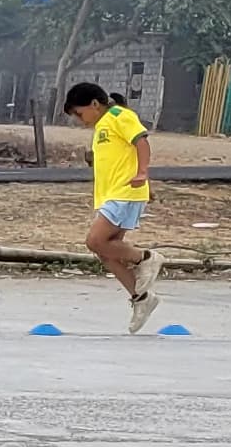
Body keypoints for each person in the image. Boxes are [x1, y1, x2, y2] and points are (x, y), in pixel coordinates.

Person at [65, 81, 161, 331]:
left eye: (79, 113)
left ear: (94, 104)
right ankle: (141, 298)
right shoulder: (102, 126)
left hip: (124, 192)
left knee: (95, 241)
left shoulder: (119, 115)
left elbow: (141, 141)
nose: (79, 120)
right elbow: (122, 156)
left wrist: (143, 173)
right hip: (112, 195)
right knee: (107, 252)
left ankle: (145, 258)